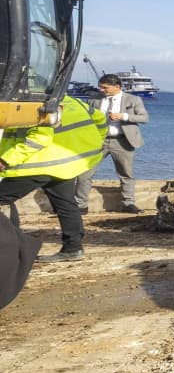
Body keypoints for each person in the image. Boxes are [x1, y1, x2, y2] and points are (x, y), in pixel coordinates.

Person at [0, 95, 107, 263]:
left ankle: (13, 248)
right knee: (66, 204)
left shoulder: (36, 104)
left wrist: (6, 160)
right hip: (64, 164)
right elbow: (100, 119)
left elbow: (40, 138)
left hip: (39, 164)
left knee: (3, 198)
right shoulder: (74, 101)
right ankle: (73, 248)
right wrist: (97, 141)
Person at [75, 74, 149, 214]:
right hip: (97, 141)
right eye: (100, 87)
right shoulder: (94, 100)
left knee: (126, 173)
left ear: (117, 87)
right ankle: (81, 205)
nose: (102, 90)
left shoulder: (133, 99)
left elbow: (144, 118)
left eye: (105, 87)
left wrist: (123, 116)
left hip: (122, 140)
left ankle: (128, 203)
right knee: (84, 173)